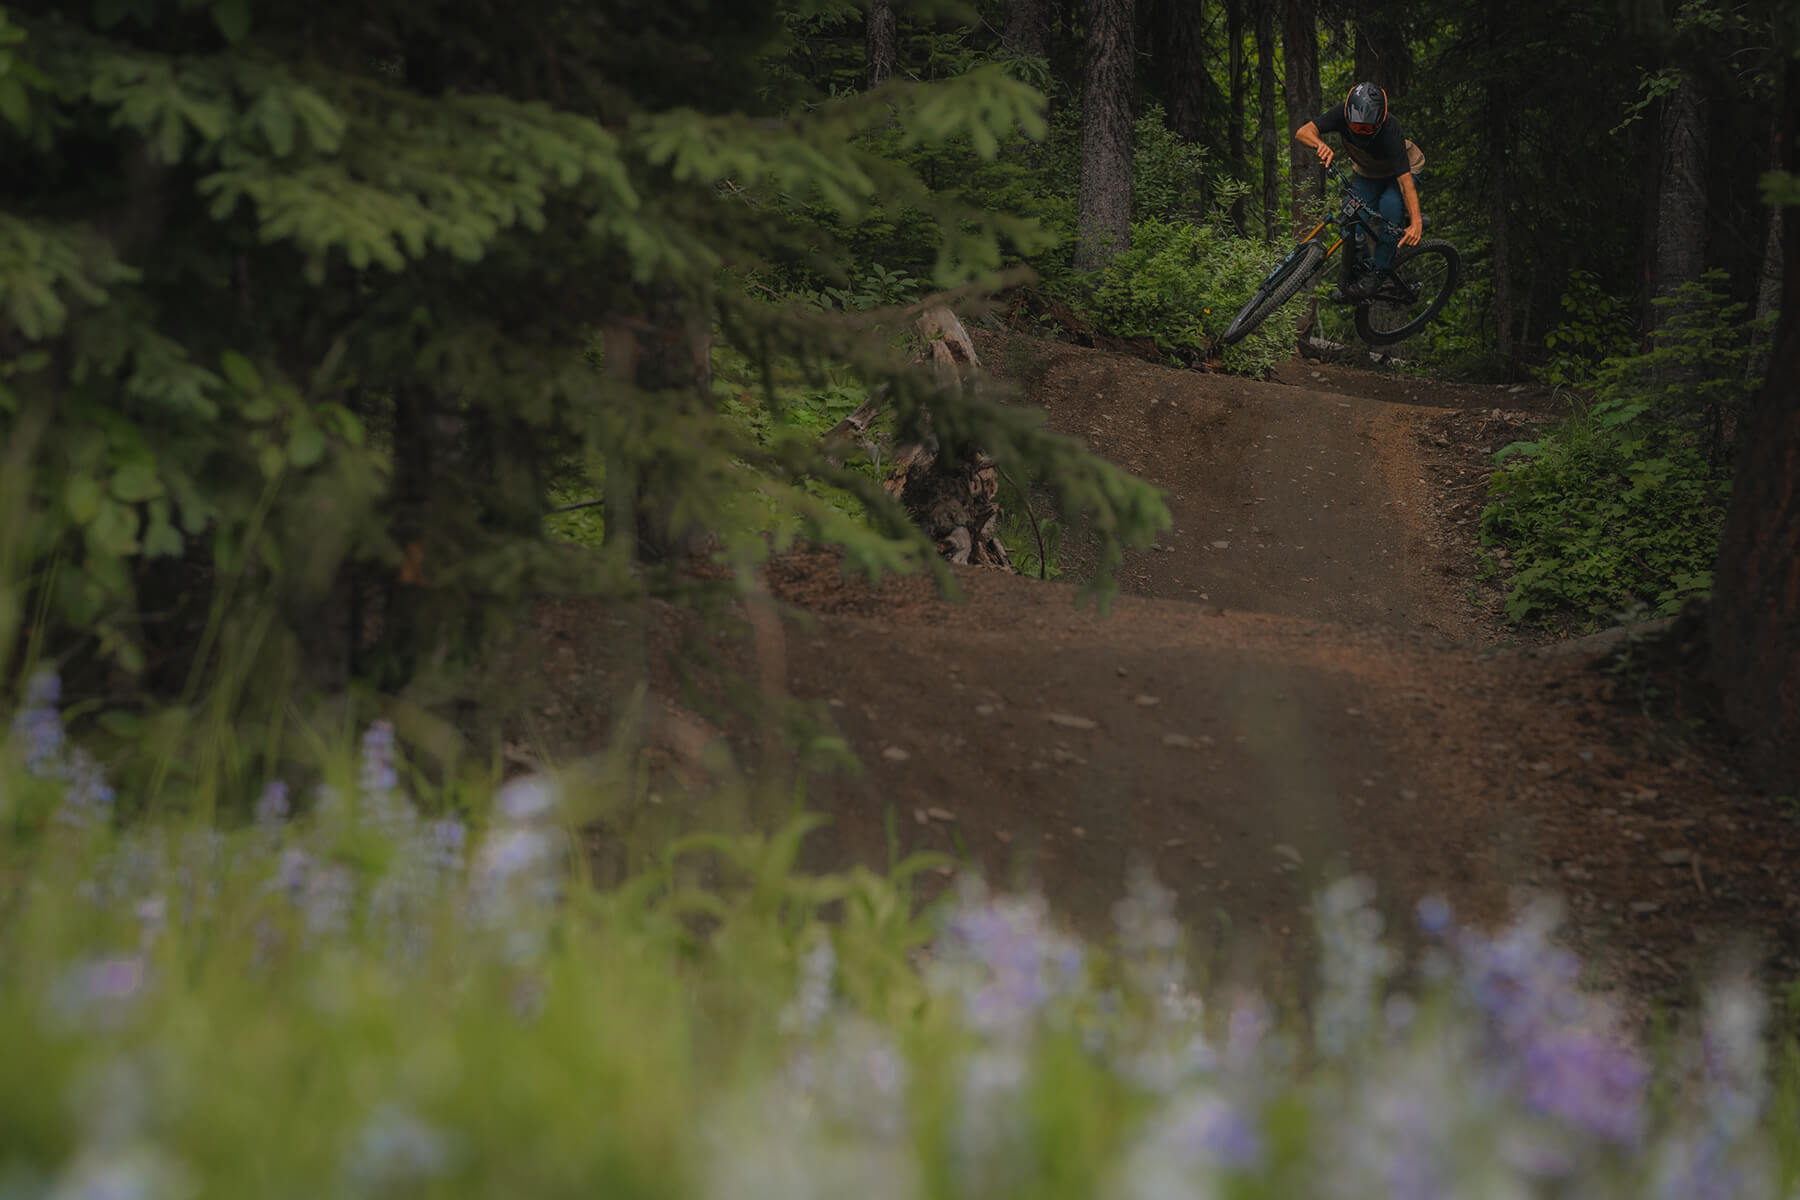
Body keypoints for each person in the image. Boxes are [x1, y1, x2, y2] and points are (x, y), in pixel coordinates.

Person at [1293, 83, 1425, 300]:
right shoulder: (1341, 114)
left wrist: (1416, 222)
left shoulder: (1391, 129)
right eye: (1357, 127)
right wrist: (1319, 145)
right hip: (1369, 171)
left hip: (1403, 170)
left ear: (1380, 120)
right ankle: (1358, 273)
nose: (1361, 131)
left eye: (1368, 128)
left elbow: (1405, 182)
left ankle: (1378, 272)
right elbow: (1303, 132)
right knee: (1350, 214)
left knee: (1389, 207)